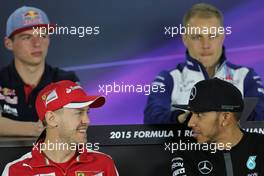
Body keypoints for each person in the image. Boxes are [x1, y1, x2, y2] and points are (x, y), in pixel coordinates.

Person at [144, 3, 264, 124]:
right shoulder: (169, 78)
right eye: (197, 37)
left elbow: (261, 117)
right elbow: (151, 119)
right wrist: (183, 118)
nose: (205, 45)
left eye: (212, 36)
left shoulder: (245, 76)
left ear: (222, 37)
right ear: (185, 39)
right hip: (182, 143)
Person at [2, 80, 119, 176]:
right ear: (51, 119)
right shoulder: (15, 171)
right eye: (78, 113)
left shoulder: (104, 164)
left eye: (87, 112)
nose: (87, 121)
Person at [0, 6, 79, 136]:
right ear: (9, 43)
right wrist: (35, 129)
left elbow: (76, 123)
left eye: (42, 35)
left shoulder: (67, 81)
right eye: (26, 37)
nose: (37, 43)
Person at [171, 78, 264, 175]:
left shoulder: (260, 146)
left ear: (225, 117)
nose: (190, 123)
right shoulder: (186, 154)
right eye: (191, 114)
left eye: (199, 115)